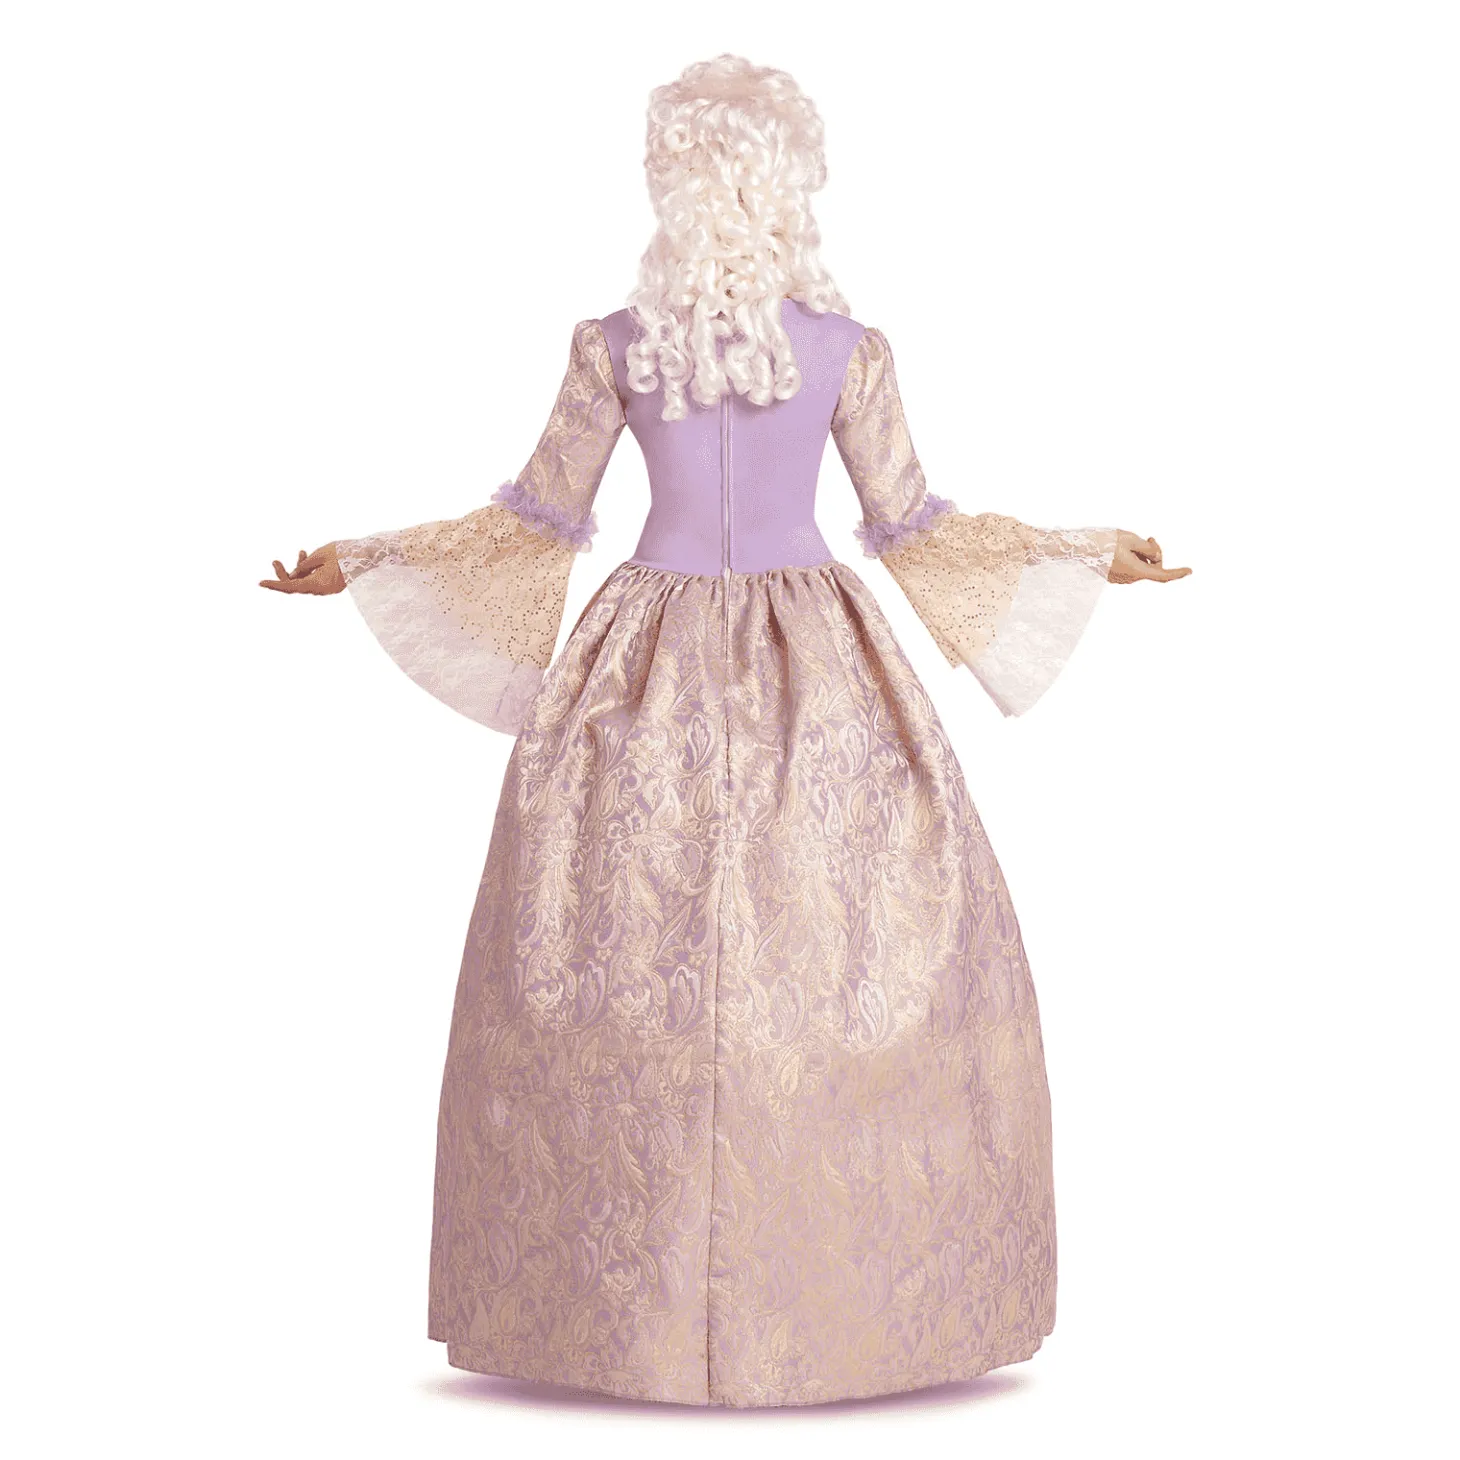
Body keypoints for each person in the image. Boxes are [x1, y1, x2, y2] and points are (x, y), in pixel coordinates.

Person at [260, 53, 1190, 1409]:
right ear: (791, 182)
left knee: (618, 953)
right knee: (821, 955)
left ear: (676, 182)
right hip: (819, 660)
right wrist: (1087, 553)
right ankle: (801, 1299)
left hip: (639, 666)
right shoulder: (832, 350)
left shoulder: (628, 346)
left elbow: (532, 519)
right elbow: (913, 524)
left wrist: (362, 561)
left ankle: (653, 1306)